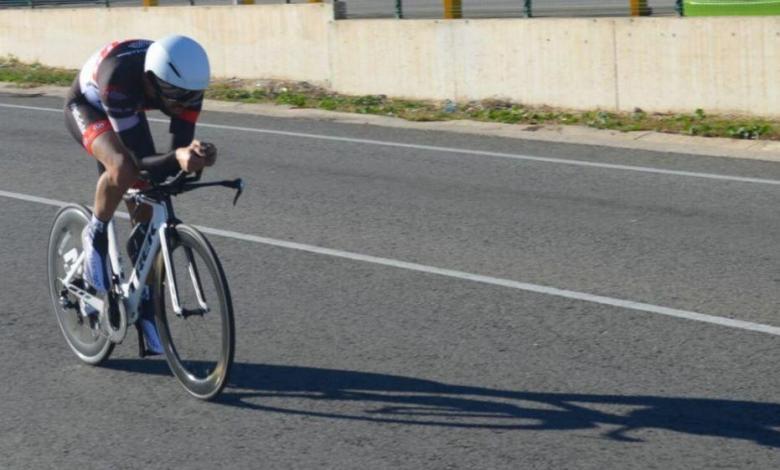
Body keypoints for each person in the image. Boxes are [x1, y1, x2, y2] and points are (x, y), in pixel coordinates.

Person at [64, 35, 217, 354]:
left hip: (128, 101)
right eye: (175, 96)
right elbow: (138, 161)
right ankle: (96, 232)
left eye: (190, 96)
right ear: (152, 81)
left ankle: (145, 304)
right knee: (122, 167)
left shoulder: (185, 90)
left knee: (147, 199)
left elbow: (175, 155)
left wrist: (195, 157)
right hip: (89, 103)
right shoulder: (120, 79)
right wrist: (177, 157)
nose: (182, 103)